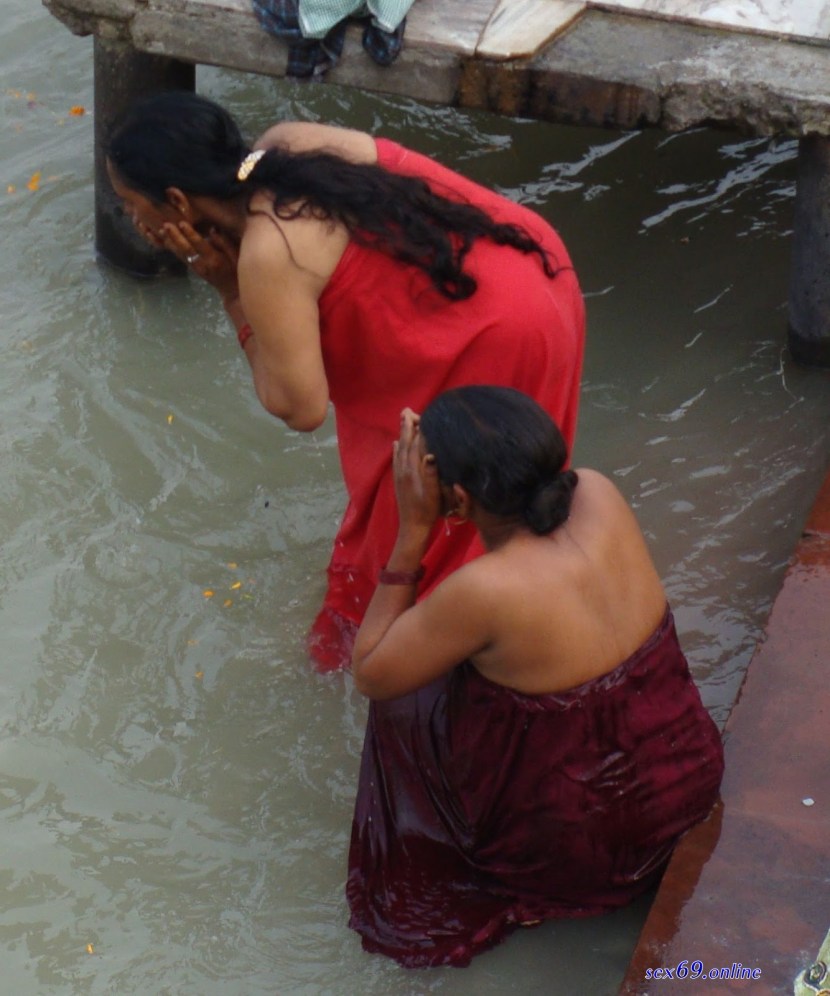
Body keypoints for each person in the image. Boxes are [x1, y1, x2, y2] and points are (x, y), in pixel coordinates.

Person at [105, 92, 585, 671]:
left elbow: (298, 408)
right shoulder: (292, 144)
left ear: (177, 201)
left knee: (416, 541)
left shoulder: (266, 252)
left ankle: (430, 659)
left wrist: (229, 290)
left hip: (495, 337)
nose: (135, 222)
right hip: (532, 266)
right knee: (510, 502)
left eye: (134, 206)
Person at [348, 386, 724, 968]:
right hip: (691, 781)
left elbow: (371, 673)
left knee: (410, 686)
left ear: (459, 502)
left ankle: (547, 894)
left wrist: (412, 531)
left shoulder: (483, 592)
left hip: (589, 852)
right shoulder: (599, 490)